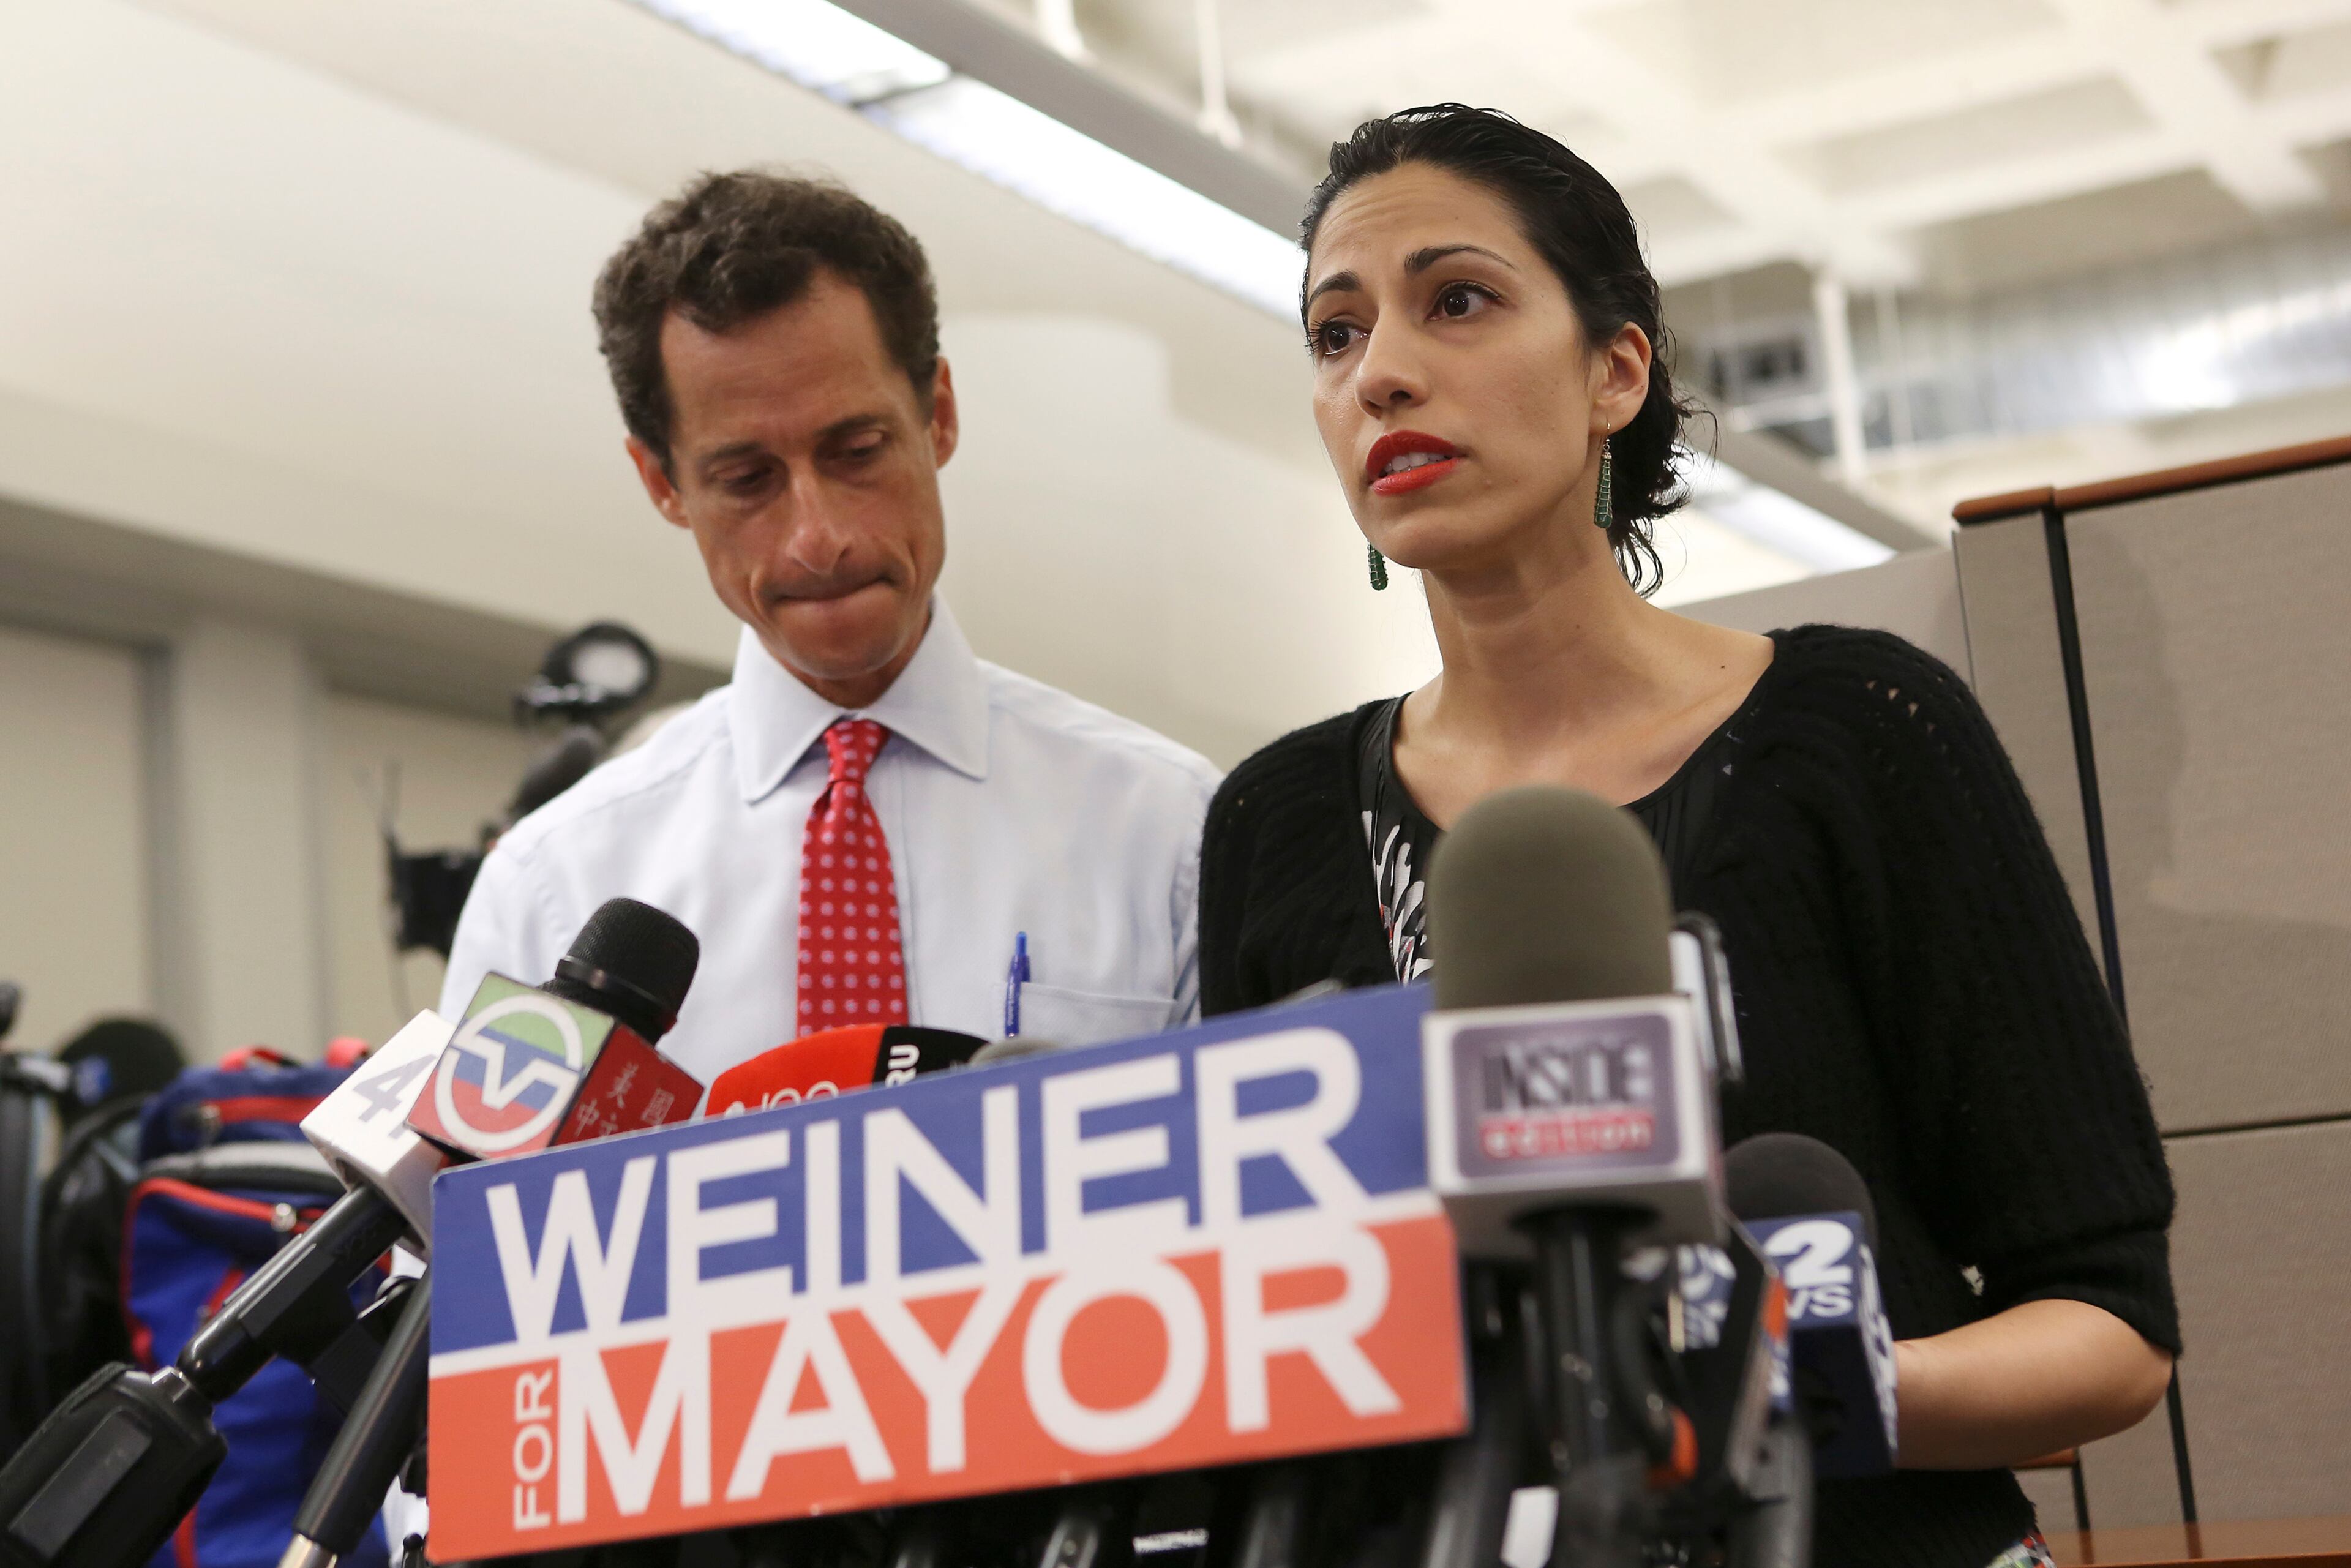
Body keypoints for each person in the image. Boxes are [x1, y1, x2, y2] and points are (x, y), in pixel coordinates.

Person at [1198, 106, 2177, 1568]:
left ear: (1615, 370)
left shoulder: (1858, 729)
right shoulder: (1272, 824)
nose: (1382, 369)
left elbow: (2109, 1329)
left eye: (1455, 301)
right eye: (1335, 337)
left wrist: (1785, 1392)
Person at [442, 171, 1219, 1079]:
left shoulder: (1168, 831)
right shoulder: (551, 890)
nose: (819, 537)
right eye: (746, 479)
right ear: (662, 483)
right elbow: (486, 1223)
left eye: (856, 453)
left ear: (939, 415)